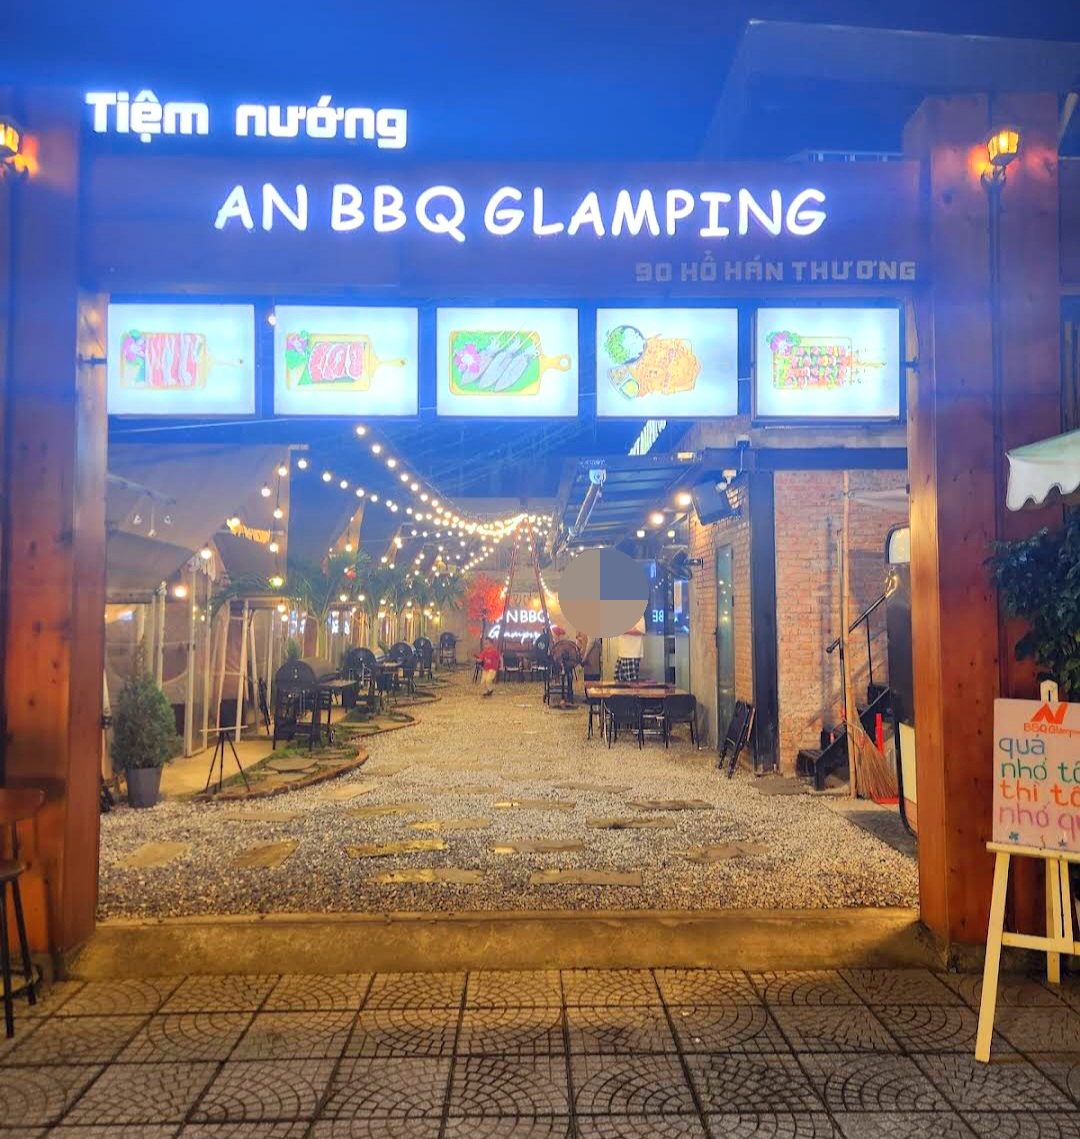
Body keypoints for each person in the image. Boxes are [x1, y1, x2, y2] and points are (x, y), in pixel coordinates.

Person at [616, 615, 645, 682]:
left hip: (631, 654)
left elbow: (641, 630)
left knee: (631, 682)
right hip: (622, 653)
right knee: (618, 678)